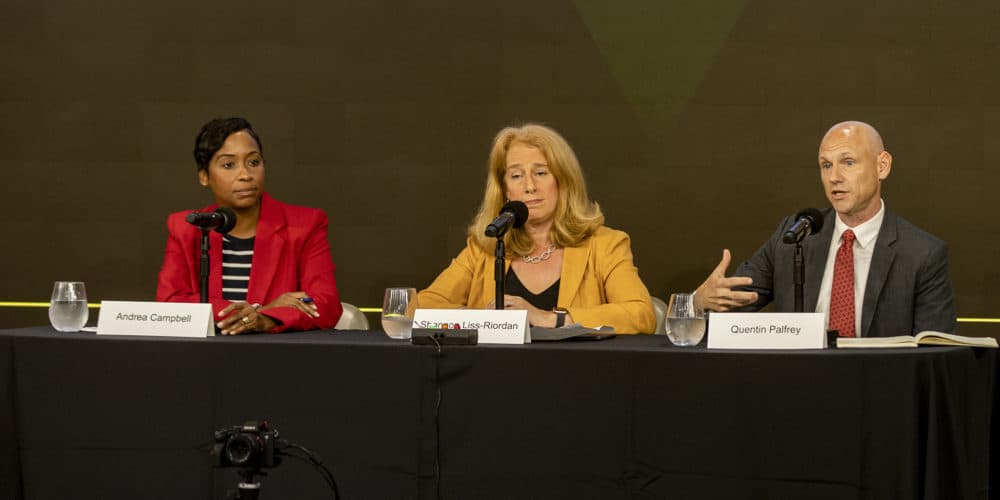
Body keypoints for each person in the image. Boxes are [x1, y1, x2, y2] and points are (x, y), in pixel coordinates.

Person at [694, 121, 955, 337]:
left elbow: (934, 354)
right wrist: (699, 302)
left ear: (882, 166)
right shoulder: (795, 234)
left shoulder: (922, 253)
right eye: (826, 165)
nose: (834, 177)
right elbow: (730, 308)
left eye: (848, 162)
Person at [417, 124, 656, 334]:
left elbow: (641, 314)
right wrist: (485, 321)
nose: (529, 186)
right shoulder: (484, 248)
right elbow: (421, 306)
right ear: (505, 189)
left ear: (564, 181)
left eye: (540, 173)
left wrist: (551, 318)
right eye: (516, 175)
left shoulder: (606, 245)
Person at [156, 117, 343, 334]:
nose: (245, 175)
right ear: (204, 176)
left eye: (254, 162)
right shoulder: (187, 227)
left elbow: (326, 304)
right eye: (228, 165)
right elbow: (169, 304)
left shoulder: (305, 225)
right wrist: (259, 310)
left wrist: (266, 319)